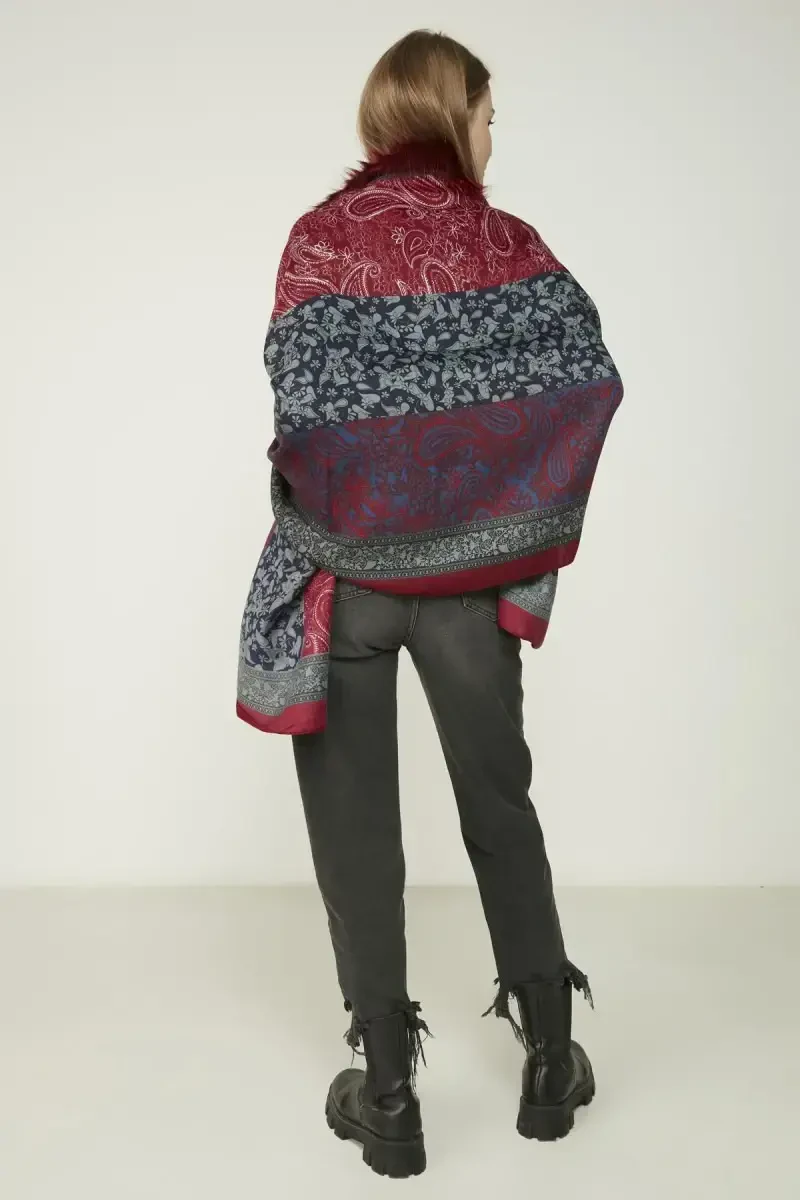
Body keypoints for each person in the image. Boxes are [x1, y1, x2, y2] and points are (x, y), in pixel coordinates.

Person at [237, 28, 623, 1179]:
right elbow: (582, 382)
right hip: (465, 598)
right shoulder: (509, 247)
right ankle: (548, 1061)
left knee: (355, 834)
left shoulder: (318, 239)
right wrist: (491, 518)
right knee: (500, 811)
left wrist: (346, 514)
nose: (491, 138)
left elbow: (299, 401)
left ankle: (388, 1096)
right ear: (451, 115)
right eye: (487, 116)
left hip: (347, 586)